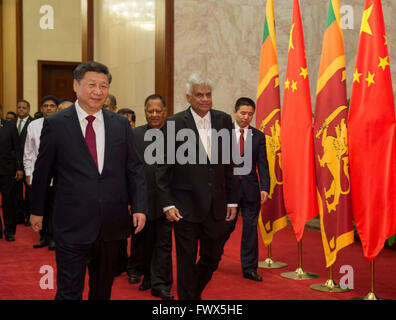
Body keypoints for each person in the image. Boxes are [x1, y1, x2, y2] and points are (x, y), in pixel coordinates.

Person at [29, 61, 147, 300]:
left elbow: (134, 169)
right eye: (92, 84)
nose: (98, 91)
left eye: (104, 85)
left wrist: (140, 206)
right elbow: (43, 171)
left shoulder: (120, 124)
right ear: (76, 85)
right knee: (69, 291)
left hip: (111, 224)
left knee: (102, 290)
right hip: (71, 223)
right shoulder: (56, 123)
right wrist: (37, 210)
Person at [156, 73, 239, 300]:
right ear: (188, 97)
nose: (204, 99)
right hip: (185, 207)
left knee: (212, 257)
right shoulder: (174, 123)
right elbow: (163, 168)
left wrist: (232, 199)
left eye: (208, 95)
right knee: (186, 259)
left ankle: (192, 295)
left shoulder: (223, 120)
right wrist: (167, 204)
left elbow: (230, 163)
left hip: (217, 205)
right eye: (199, 95)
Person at [128, 94, 174, 300]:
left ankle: (160, 283)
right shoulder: (135, 135)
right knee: (145, 241)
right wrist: (130, 200)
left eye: (158, 110)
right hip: (143, 200)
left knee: (163, 242)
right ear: (145, 112)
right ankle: (147, 276)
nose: (154, 114)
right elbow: (127, 169)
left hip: (169, 201)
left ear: (165, 111)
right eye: (150, 111)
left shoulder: (177, 135)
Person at [226, 97, 270, 282]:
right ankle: (211, 257)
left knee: (250, 229)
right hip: (228, 190)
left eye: (250, 114)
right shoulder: (223, 134)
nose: (246, 117)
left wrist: (265, 187)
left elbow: (263, 164)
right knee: (224, 227)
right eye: (243, 113)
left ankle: (249, 268)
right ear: (235, 112)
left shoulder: (258, 136)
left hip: (251, 189)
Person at [24, 96, 59, 250]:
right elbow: (29, 152)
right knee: (41, 206)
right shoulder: (33, 125)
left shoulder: (62, 124)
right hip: (39, 174)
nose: (49, 108)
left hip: (58, 175)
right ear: (41, 108)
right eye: (46, 106)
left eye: (52, 106)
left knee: (54, 207)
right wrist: (28, 172)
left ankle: (53, 237)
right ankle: (43, 237)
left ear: (56, 108)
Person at [11, 100, 34, 226]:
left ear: (28, 109)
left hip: (30, 161)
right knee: (16, 191)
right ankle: (19, 215)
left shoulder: (33, 123)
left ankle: (29, 215)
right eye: (19, 107)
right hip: (15, 163)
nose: (21, 110)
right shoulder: (11, 123)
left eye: (24, 107)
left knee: (30, 192)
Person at [0, 117, 24, 241]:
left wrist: (20, 168)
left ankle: (9, 231)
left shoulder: (9, 126)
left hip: (8, 170)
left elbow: (18, 149)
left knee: (8, 201)